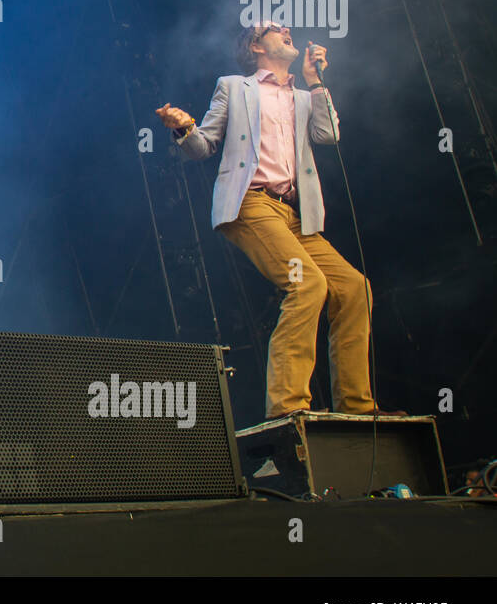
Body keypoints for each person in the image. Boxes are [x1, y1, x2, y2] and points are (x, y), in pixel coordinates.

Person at [155, 21, 403, 420]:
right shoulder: (234, 86)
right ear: (256, 46)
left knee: (354, 288)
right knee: (307, 285)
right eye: (273, 28)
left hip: (292, 215)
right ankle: (288, 408)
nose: (286, 28)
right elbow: (203, 147)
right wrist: (185, 128)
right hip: (251, 203)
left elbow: (328, 134)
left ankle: (357, 406)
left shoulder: (304, 97)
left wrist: (315, 81)